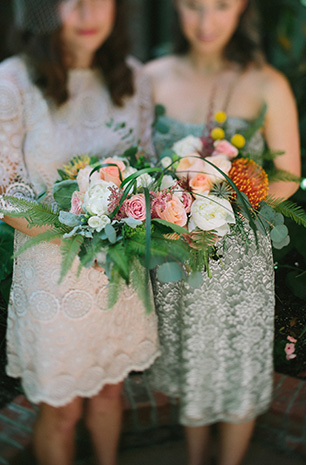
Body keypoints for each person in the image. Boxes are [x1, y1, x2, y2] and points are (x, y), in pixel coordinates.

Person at [0, 1, 160, 464]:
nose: (89, 11)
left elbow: (146, 165)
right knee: (62, 412)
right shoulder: (12, 82)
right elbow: (5, 193)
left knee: (110, 396)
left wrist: (133, 221)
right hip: (54, 276)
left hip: (118, 269)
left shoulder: (134, 77)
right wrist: (83, 230)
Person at [144, 1, 301, 465]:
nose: (206, 22)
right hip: (177, 252)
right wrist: (175, 205)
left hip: (238, 259)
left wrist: (225, 199)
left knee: (236, 366)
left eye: (221, 6)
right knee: (191, 365)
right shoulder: (151, 76)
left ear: (242, 8)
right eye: (193, 6)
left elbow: (290, 176)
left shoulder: (266, 82)